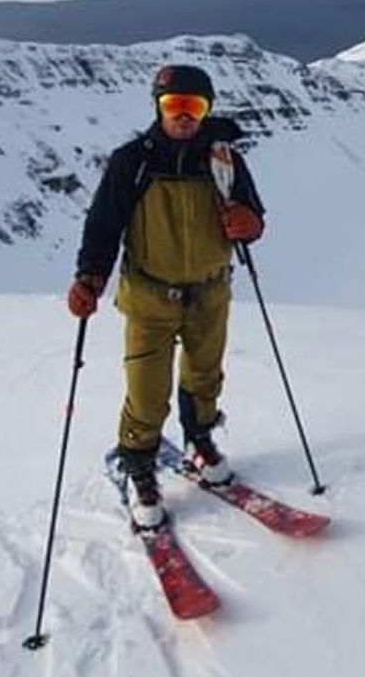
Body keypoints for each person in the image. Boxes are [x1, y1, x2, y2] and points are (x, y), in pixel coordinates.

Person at [67, 63, 266, 530]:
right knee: (147, 389)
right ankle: (138, 467)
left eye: (193, 106)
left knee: (204, 376)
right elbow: (103, 226)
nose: (183, 116)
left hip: (210, 292)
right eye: (174, 105)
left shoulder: (224, 160)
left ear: (206, 109)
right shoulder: (131, 162)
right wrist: (89, 278)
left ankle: (198, 439)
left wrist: (250, 225)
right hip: (150, 297)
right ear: (158, 107)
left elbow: (253, 211)